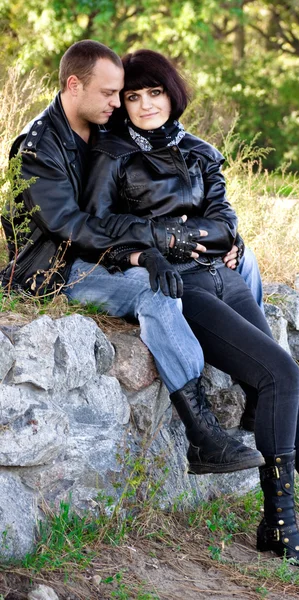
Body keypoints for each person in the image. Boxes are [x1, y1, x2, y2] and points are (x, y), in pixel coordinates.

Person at [80, 48, 299, 571]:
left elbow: (225, 219)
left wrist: (190, 233)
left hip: (225, 279)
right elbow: (100, 229)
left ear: (171, 93)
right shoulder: (111, 154)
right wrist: (171, 241)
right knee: (280, 373)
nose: (144, 105)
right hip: (183, 289)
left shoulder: (200, 151)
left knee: (283, 395)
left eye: (154, 92)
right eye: (132, 97)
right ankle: (283, 526)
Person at [0, 39, 266, 477]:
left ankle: (262, 394)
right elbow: (71, 227)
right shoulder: (39, 146)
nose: (117, 103)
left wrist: (213, 239)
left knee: (242, 259)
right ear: (73, 85)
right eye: (110, 94)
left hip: (110, 252)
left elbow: (137, 201)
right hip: (60, 266)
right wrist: (145, 250)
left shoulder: (103, 128)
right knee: (156, 294)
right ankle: (201, 434)